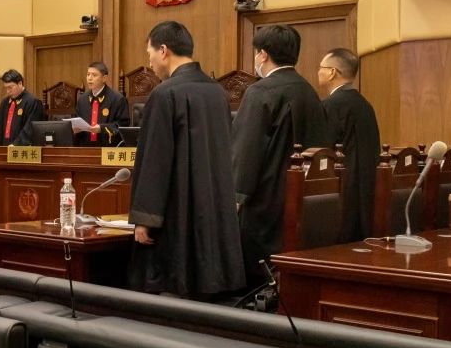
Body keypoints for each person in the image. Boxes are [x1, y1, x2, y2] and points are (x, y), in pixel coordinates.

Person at [128, 22, 245, 298]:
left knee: (174, 287)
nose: (150, 62)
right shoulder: (217, 92)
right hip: (214, 203)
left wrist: (145, 219)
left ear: (164, 50)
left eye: (150, 54)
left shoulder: (164, 94)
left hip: (177, 208)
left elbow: (154, 162)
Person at [232, 24, 331, 282]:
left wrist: (235, 195)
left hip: (266, 198)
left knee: (258, 273)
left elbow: (246, 148)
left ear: (263, 54)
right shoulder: (309, 91)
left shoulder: (260, 91)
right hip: (307, 199)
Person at [318, 47, 382, 242]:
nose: (318, 71)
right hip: (367, 189)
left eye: (321, 67)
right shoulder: (365, 104)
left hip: (342, 190)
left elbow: (324, 151)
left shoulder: (331, 105)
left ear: (332, 72)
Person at [74, 61, 129, 145]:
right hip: (85, 148)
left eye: (94, 75)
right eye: (88, 74)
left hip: (108, 147)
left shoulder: (118, 99)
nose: (89, 78)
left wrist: (101, 128)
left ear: (104, 78)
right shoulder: (82, 99)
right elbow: (76, 121)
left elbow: (123, 126)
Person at [0, 69, 45, 146]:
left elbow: (30, 128)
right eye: (6, 88)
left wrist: (16, 144)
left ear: (20, 83)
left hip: (22, 148)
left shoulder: (33, 102)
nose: (8, 91)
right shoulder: (5, 102)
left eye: (10, 87)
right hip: (4, 147)